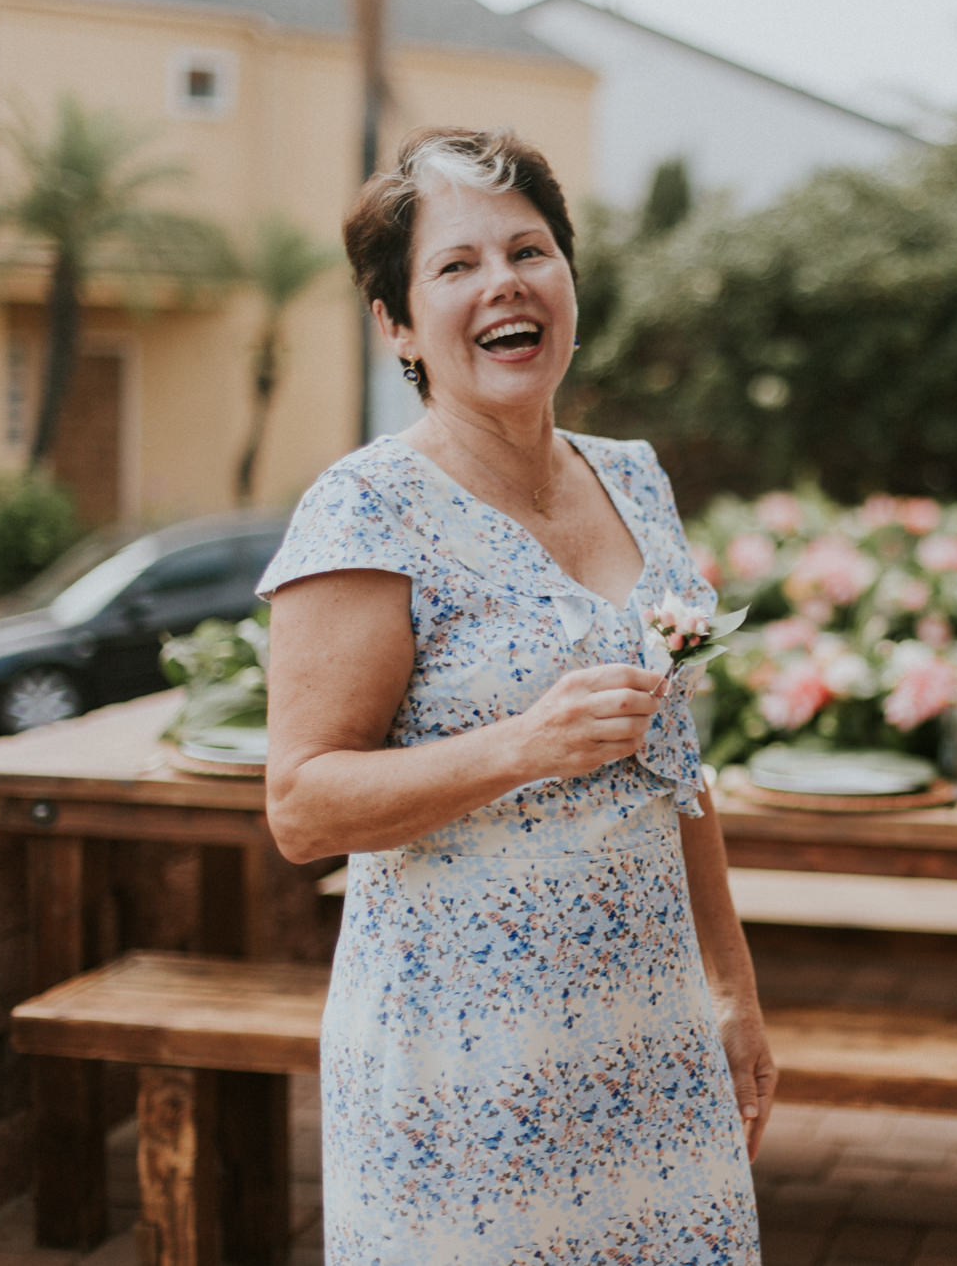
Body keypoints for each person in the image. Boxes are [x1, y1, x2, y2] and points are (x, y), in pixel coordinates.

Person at [258, 127, 772, 1263]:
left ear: (568, 282)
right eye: (455, 266)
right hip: (466, 1061)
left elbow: (673, 761)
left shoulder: (633, 476)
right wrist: (522, 746)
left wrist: (728, 989)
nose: (504, 283)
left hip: (650, 1031)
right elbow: (301, 807)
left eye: (529, 250)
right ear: (396, 323)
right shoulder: (363, 511)